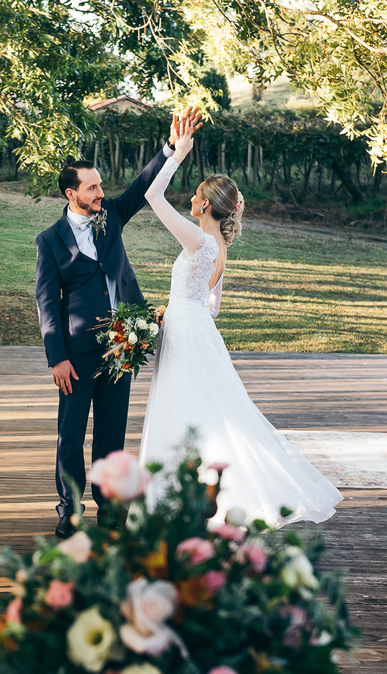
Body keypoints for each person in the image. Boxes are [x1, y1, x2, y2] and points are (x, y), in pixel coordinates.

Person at [138, 120, 342, 524]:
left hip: (187, 331)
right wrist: (174, 310)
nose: (191, 199)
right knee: (204, 409)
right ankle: (196, 490)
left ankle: (177, 498)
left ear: (208, 206)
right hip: (194, 328)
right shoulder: (220, 246)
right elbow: (210, 305)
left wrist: (176, 155)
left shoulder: (198, 240)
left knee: (185, 408)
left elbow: (151, 194)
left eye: (196, 195)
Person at [35, 110, 201, 538]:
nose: (100, 192)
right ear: (71, 194)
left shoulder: (110, 215)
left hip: (122, 347)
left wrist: (168, 148)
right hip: (77, 354)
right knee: (70, 437)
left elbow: (140, 188)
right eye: (92, 187)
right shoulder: (50, 241)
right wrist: (57, 358)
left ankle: (110, 514)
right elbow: (47, 303)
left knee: (111, 438)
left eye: (101, 185)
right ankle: (69, 510)